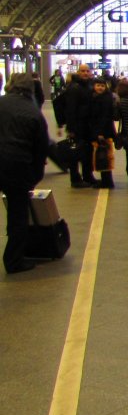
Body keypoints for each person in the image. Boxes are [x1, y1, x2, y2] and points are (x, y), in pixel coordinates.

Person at [0, 73, 49, 273]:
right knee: (17, 216)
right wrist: (34, 177)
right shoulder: (34, 113)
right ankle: (13, 260)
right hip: (17, 168)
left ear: (10, 85)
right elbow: (40, 151)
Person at [63, 64, 98, 187]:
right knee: (75, 153)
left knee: (87, 153)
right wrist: (71, 128)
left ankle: (88, 176)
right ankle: (75, 179)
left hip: (87, 126)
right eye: (83, 71)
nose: (85, 73)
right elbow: (70, 109)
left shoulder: (89, 86)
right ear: (78, 72)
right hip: (78, 127)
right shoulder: (74, 88)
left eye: (87, 71)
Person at [87, 77, 117, 188]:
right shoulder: (96, 98)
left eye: (102, 86)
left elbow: (104, 117)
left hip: (104, 133)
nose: (100, 88)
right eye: (98, 85)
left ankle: (107, 182)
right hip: (101, 132)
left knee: (104, 156)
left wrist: (100, 133)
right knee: (102, 156)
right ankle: (106, 180)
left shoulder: (105, 99)